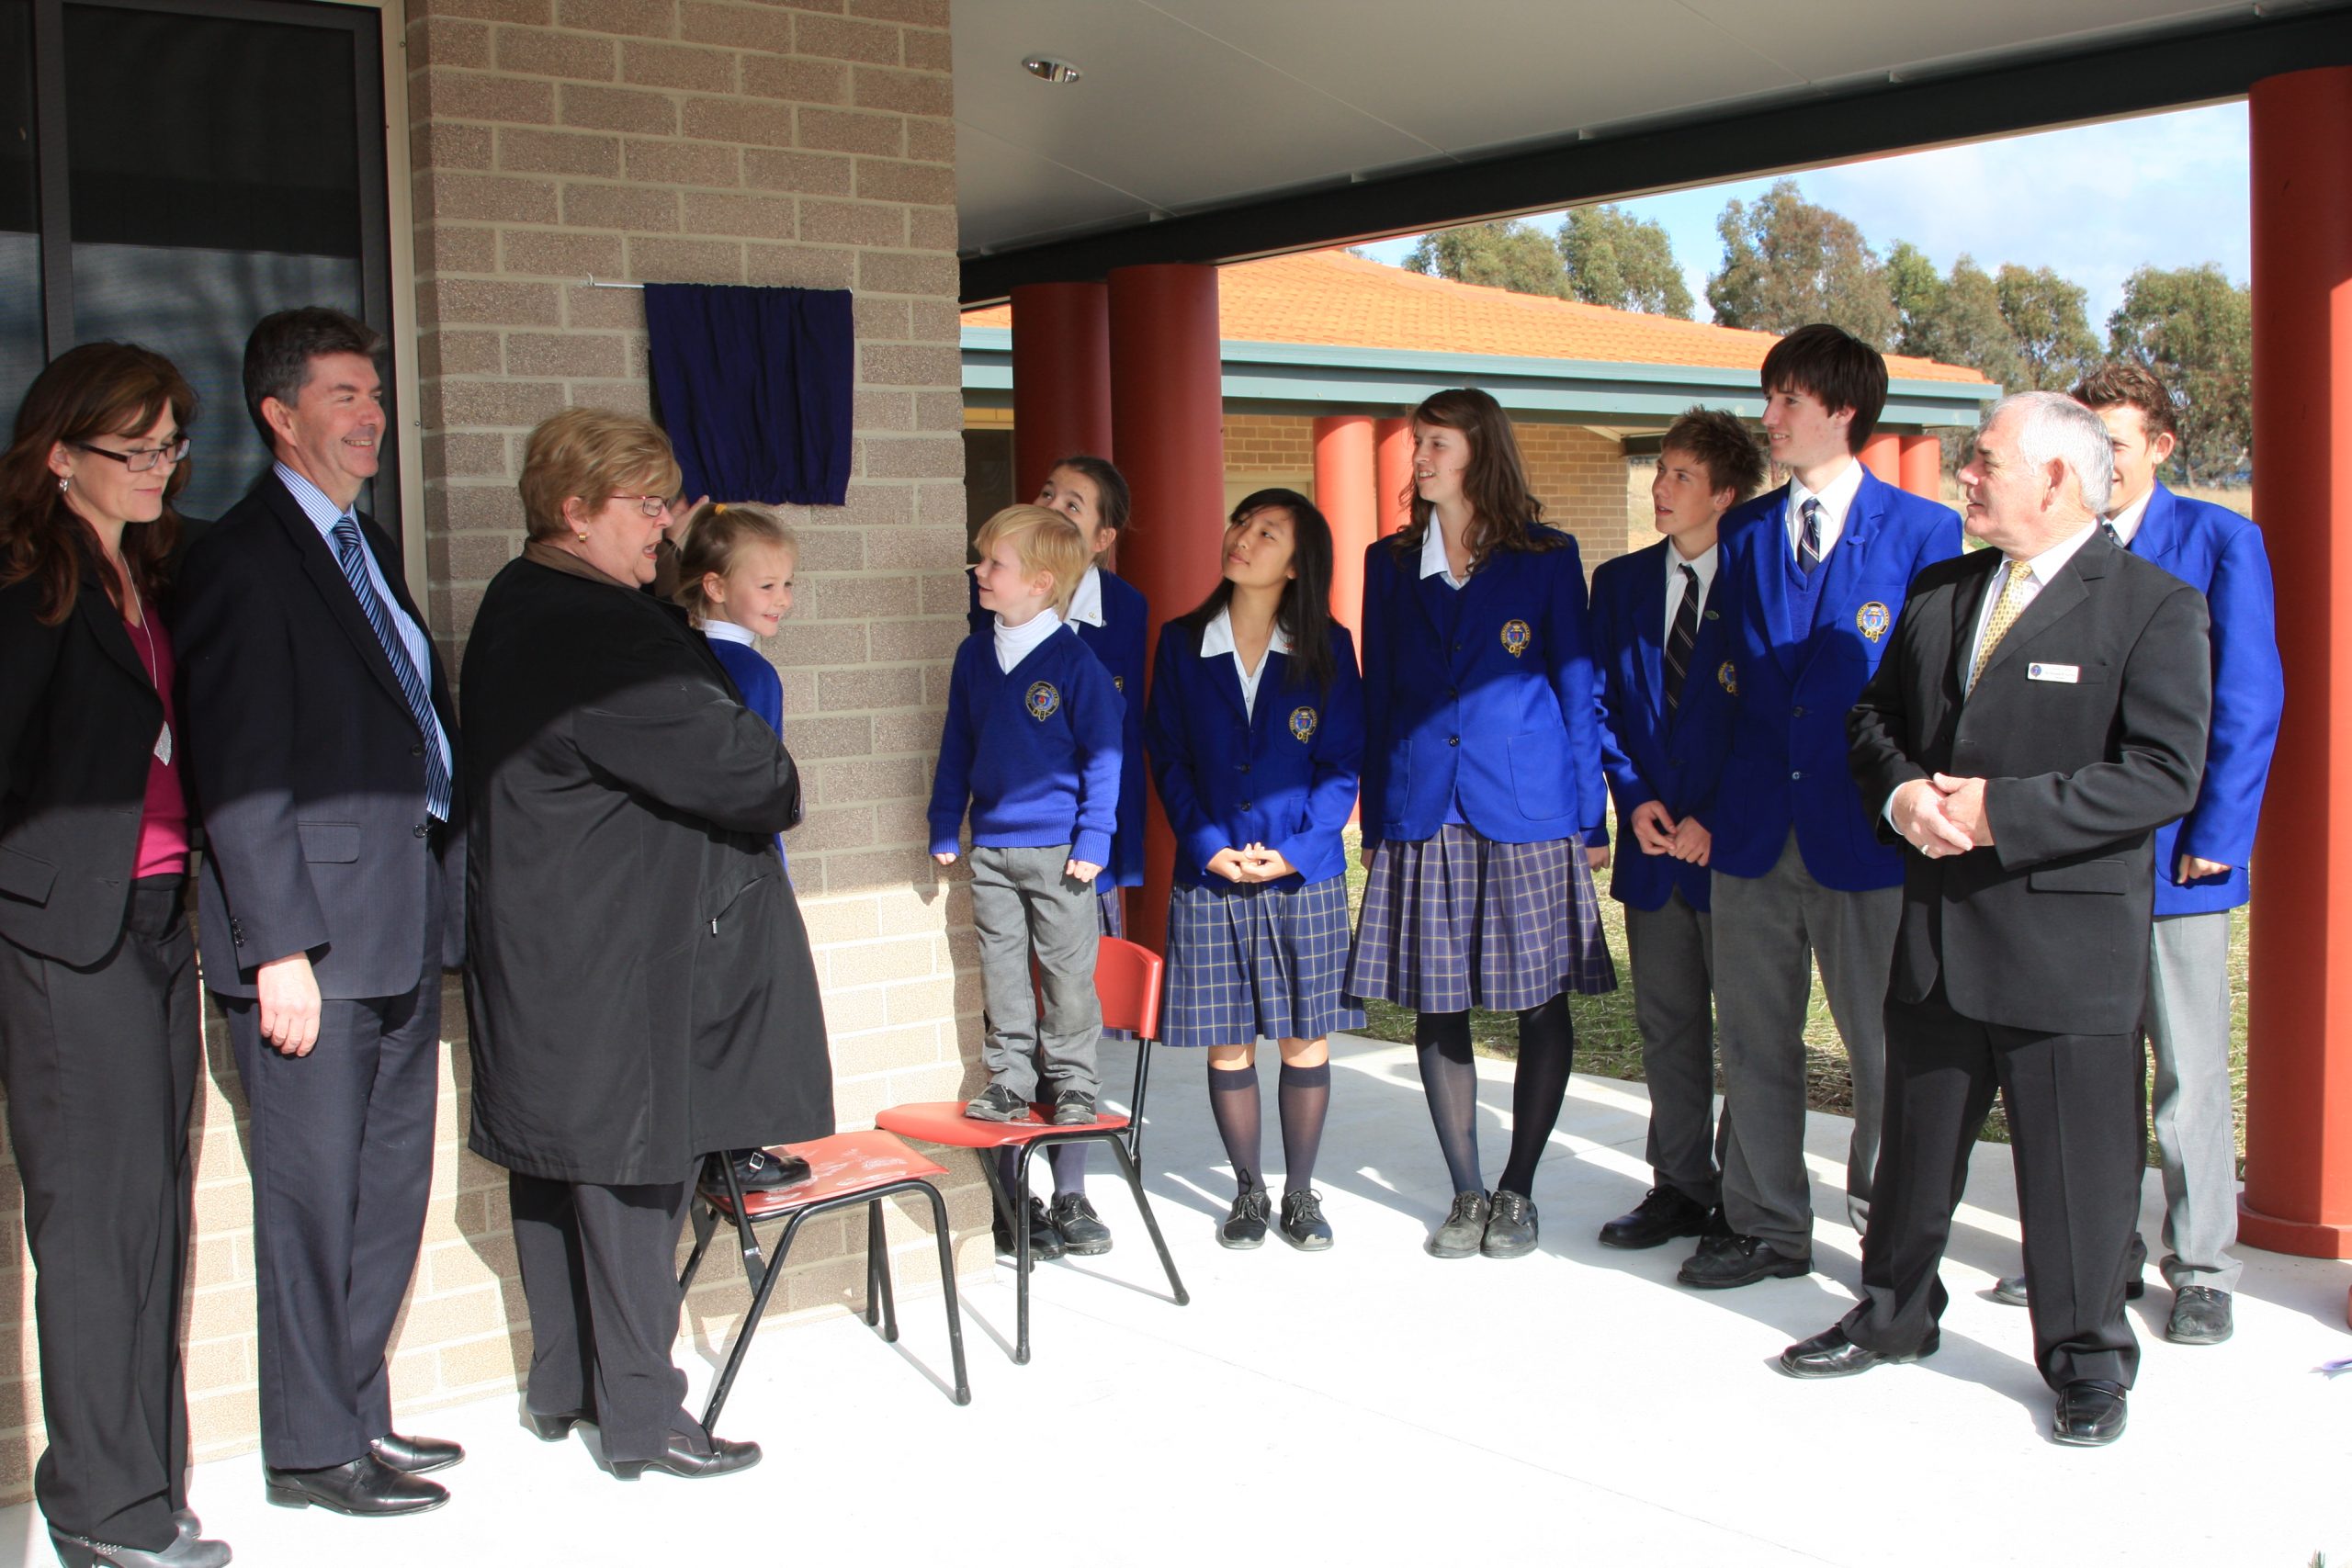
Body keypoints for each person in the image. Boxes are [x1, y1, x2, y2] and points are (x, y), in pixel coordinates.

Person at [1779, 390, 2211, 1450]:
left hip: (2063, 946)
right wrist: (1902, 797)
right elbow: (1873, 718)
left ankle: (2086, 1361)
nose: (1962, 477)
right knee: (1918, 1151)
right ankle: (1892, 1317)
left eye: (1983, 462)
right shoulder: (1943, 590)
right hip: (1935, 935)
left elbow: (2161, 774)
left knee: (2074, 1171)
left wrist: (1995, 814)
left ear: (2056, 478)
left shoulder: (2152, 606)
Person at [461, 407, 832, 1481]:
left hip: (544, 943)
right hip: (613, 956)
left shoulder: (518, 595)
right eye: (646, 506)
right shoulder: (602, 633)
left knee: (555, 1167)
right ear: (576, 514)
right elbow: (757, 777)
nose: (667, 527)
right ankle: (642, 1420)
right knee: (632, 1176)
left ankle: (565, 1388)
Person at [175, 308, 464, 1517]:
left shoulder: (363, 539)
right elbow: (235, 770)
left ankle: (355, 1408)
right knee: (309, 1200)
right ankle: (309, 1448)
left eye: (377, 394)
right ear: (280, 414)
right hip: (312, 949)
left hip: (399, 922)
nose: (372, 415)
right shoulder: (242, 560)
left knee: (386, 1186)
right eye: (345, 394)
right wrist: (278, 942)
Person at [1987, 364, 2280, 1347]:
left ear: (2157, 447)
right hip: (2068, 862)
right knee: (2090, 1063)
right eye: (2086, 439)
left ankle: (2199, 1265)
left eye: (2116, 442)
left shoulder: (2218, 543)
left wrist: (2218, 836)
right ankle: (2091, 1256)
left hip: (2171, 861)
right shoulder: (2053, 549)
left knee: (2186, 1071)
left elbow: (2244, 701)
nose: (2100, 459)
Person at [0, 344, 232, 1568]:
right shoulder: (27, 578)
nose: (159, 468)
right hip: (61, 935)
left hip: (154, 927)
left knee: (153, 1213)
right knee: (93, 1227)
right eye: (133, 447)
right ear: (58, 453)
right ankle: (100, 1507)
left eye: (169, 446)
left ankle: (149, 1484)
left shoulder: (145, 571)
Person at [1680, 324, 1962, 1291]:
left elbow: (1933, 693)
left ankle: (1890, 1232)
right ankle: (1766, 1226)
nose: (1769, 419)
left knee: (1884, 1047)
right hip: (1753, 831)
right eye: (1770, 399)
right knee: (1756, 1039)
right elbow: (1723, 688)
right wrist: (1700, 806)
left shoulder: (1925, 532)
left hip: (1870, 838)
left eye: (1788, 401)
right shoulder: (1749, 529)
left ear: (1844, 409)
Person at [1348, 387, 1614, 1260]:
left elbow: (1578, 693)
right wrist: (1381, 817)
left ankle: (1520, 1187)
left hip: (1529, 809)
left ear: (1478, 452)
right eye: (1415, 445)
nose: (1417, 459)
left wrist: (1588, 814)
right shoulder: (1386, 565)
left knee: (1541, 999)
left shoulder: (1546, 557)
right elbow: (1378, 695)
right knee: (1439, 996)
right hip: (1424, 807)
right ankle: (1466, 1188)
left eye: (1434, 445)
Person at [1143, 489, 1365, 1250]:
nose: (1242, 537)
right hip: (1211, 871)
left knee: (1306, 1038)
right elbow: (1165, 754)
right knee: (1227, 1039)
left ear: (1298, 563)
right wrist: (1205, 841)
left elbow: (1341, 765)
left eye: (1266, 531)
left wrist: (1298, 848)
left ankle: (1301, 1193)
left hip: (1302, 873)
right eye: (1241, 521)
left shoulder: (1328, 646)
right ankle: (1247, 1190)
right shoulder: (1181, 642)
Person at [1587, 408, 1765, 1250]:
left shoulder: (1763, 581)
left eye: (1682, 476)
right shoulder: (1618, 584)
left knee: (1752, 1031)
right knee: (1668, 1023)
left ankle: (1750, 1197)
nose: (1660, 488)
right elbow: (1604, 708)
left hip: (1739, 852)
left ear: (1726, 493)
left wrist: (1716, 819)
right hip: (1653, 847)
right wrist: (1633, 796)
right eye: (1660, 473)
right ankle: (1680, 1185)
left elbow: (1770, 719)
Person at [928, 503, 1122, 1253]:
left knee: (1069, 973)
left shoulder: (1074, 663)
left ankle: (1072, 1081)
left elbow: (1104, 756)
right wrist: (948, 821)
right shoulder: (975, 655)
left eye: (993, 564)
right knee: (1002, 970)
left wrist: (1093, 837)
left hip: (1061, 851)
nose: (980, 572)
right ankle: (1009, 1078)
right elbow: (957, 743)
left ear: (1040, 584)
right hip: (993, 849)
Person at [968, 455, 1146, 1257]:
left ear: (1101, 538)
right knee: (1009, 993)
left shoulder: (1126, 614)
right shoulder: (993, 618)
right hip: (1010, 843)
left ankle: (1072, 1193)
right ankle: (1016, 1196)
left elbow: (1119, 741)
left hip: (1080, 848)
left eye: (1072, 502)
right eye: (1046, 491)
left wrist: (1102, 844)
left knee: (1074, 997)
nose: (1051, 503)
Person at [673, 499, 817, 1196]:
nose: (782, 599)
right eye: (766, 585)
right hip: (743, 870)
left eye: (787, 584)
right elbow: (760, 784)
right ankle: (737, 1152)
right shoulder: (751, 673)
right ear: (713, 584)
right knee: (751, 1008)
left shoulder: (682, 652)